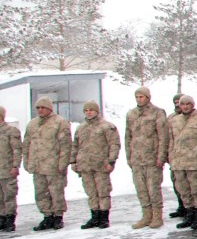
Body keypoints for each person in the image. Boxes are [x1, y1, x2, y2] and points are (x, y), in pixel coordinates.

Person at [23, 97, 72, 231]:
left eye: (43, 107)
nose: (40, 110)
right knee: (41, 193)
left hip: (53, 165)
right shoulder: (32, 124)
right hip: (38, 165)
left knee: (56, 192)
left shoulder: (59, 123)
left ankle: (58, 217)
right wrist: (26, 161)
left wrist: (62, 164)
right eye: (38, 108)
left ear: (49, 108)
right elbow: (27, 144)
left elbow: (66, 146)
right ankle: (47, 216)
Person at [124, 86, 170, 230]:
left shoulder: (157, 112)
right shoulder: (131, 114)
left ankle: (157, 216)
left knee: (153, 189)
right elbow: (128, 137)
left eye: (142, 96)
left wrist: (161, 157)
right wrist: (129, 157)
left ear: (148, 97)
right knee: (141, 189)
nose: (139, 99)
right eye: (137, 97)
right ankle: (146, 215)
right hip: (137, 158)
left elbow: (163, 136)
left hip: (152, 158)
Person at [167, 94, 197, 231]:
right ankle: (189, 214)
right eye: (183, 104)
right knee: (183, 189)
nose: (185, 106)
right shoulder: (174, 121)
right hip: (179, 162)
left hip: (194, 162)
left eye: (188, 104)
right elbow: (171, 141)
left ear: (192, 105)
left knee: (196, 190)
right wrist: (171, 157)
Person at [72, 101, 119, 229]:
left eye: (91, 110)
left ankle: (104, 217)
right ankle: (94, 216)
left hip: (101, 166)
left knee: (103, 191)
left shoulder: (107, 127)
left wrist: (111, 161)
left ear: (97, 111)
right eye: (86, 110)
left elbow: (114, 145)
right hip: (85, 166)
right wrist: (73, 161)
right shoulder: (80, 128)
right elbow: (75, 145)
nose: (88, 112)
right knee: (91, 192)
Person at [0, 107, 22, 232]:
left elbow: (17, 150)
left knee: (9, 196)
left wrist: (15, 166)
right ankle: (2, 218)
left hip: (7, 170)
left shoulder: (11, 131)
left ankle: (10, 219)